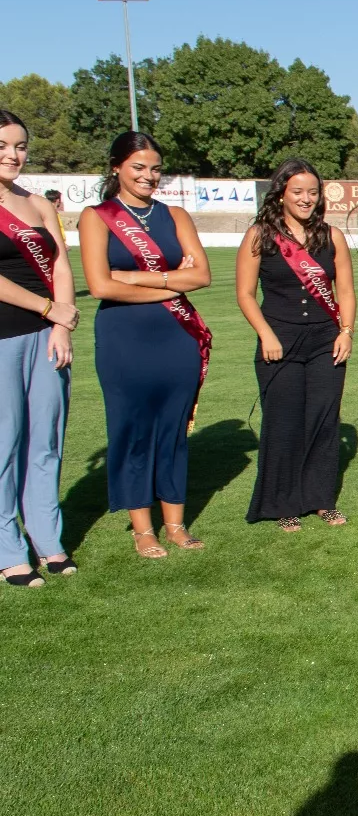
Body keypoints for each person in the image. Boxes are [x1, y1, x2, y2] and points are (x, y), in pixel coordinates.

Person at [78, 131, 212, 558]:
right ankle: (142, 529)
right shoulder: (96, 216)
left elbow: (202, 277)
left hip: (177, 337)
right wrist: (172, 282)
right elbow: (101, 286)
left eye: (155, 168)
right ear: (116, 167)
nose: (148, 176)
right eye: (139, 167)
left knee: (173, 432)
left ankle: (175, 524)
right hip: (124, 339)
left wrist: (134, 278)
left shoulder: (175, 215)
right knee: (132, 430)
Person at [236, 158, 356, 531]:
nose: (306, 199)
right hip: (279, 340)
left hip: (326, 340)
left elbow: (347, 292)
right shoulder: (260, 235)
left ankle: (321, 499)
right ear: (281, 194)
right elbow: (244, 293)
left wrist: (346, 331)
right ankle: (283, 502)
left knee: (323, 420)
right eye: (298, 192)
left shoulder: (331, 236)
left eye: (313, 192)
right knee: (284, 422)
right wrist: (266, 334)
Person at [0, 111, 78, 587]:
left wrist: (62, 322)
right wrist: (49, 308)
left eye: (20, 145)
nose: (13, 155)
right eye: (4, 145)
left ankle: (48, 539)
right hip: (4, 335)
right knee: (4, 444)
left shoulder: (38, 204)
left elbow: (62, 265)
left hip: (49, 336)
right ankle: (9, 547)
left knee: (46, 442)